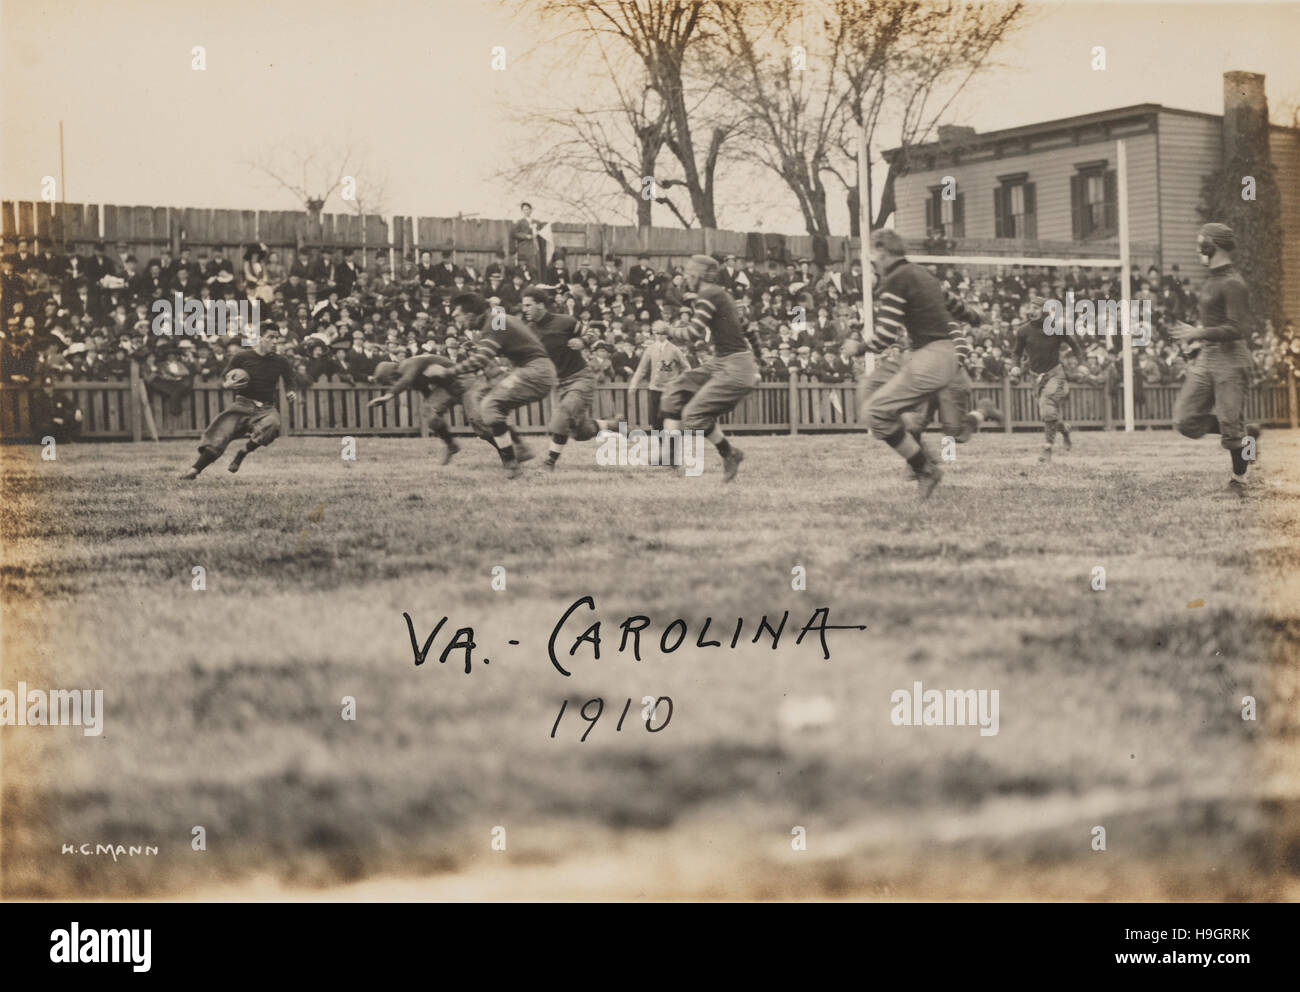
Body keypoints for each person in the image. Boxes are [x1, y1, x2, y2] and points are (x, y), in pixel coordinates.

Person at [422, 292, 556, 479]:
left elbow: (481, 359)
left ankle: (513, 461)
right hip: (534, 369)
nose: (455, 318)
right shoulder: (499, 319)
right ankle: (518, 453)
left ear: (470, 314)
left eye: (458, 314)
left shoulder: (494, 322)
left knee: (489, 406)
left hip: (534, 370)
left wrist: (446, 371)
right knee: (491, 408)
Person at [1170, 223, 1261, 494]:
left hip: (1231, 359)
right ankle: (1247, 433)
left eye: (1202, 240)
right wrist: (1198, 339)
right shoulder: (1212, 279)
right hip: (1208, 357)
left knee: (1232, 429)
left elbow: (1238, 328)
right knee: (1185, 421)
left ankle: (1238, 480)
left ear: (1216, 244)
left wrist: (1199, 332)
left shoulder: (1233, 283)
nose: (1198, 245)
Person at [659, 254, 760, 482]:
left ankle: (730, 453)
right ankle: (671, 458)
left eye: (688, 273)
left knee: (693, 416)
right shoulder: (722, 296)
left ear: (697, 274)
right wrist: (758, 362)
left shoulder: (708, 296)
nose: (685, 278)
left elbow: (692, 333)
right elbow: (749, 329)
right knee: (675, 389)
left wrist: (668, 329)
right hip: (724, 361)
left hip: (733, 366)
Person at [180, 329, 296, 479]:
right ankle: (194, 470)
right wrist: (227, 384)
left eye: (277, 338)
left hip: (266, 408)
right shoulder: (242, 357)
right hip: (242, 405)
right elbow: (224, 379)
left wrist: (290, 391)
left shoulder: (281, 361)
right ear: (259, 338)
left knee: (273, 423)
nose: (275, 342)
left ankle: (243, 452)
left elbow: (290, 381)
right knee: (220, 435)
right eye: (270, 337)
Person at [520, 285, 600, 472]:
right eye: (523, 306)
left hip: (580, 378)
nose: (524, 309)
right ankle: (611, 425)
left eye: (528, 305)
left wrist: (582, 341)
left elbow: (592, 333)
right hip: (558, 384)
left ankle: (549, 463)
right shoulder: (528, 330)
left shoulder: (565, 321)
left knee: (562, 416)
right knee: (581, 432)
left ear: (540, 305)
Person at [1010, 296, 1088, 463]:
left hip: (1056, 375)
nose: (1032, 311)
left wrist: (1081, 364)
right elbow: (1016, 352)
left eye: (1036, 308)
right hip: (1035, 377)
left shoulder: (1057, 327)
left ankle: (1047, 447)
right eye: (1031, 308)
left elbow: (1075, 346)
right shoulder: (1023, 331)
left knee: (1047, 407)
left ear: (1045, 310)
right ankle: (1064, 430)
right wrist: (1015, 366)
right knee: (1048, 414)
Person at [626, 320, 688, 430]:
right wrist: (634, 384)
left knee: (670, 419)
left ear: (667, 334)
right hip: (654, 388)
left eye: (662, 333)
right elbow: (641, 368)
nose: (659, 336)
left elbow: (686, 367)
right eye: (657, 333)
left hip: (670, 390)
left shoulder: (674, 350)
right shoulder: (650, 349)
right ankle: (661, 444)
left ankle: (673, 445)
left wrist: (682, 383)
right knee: (655, 420)